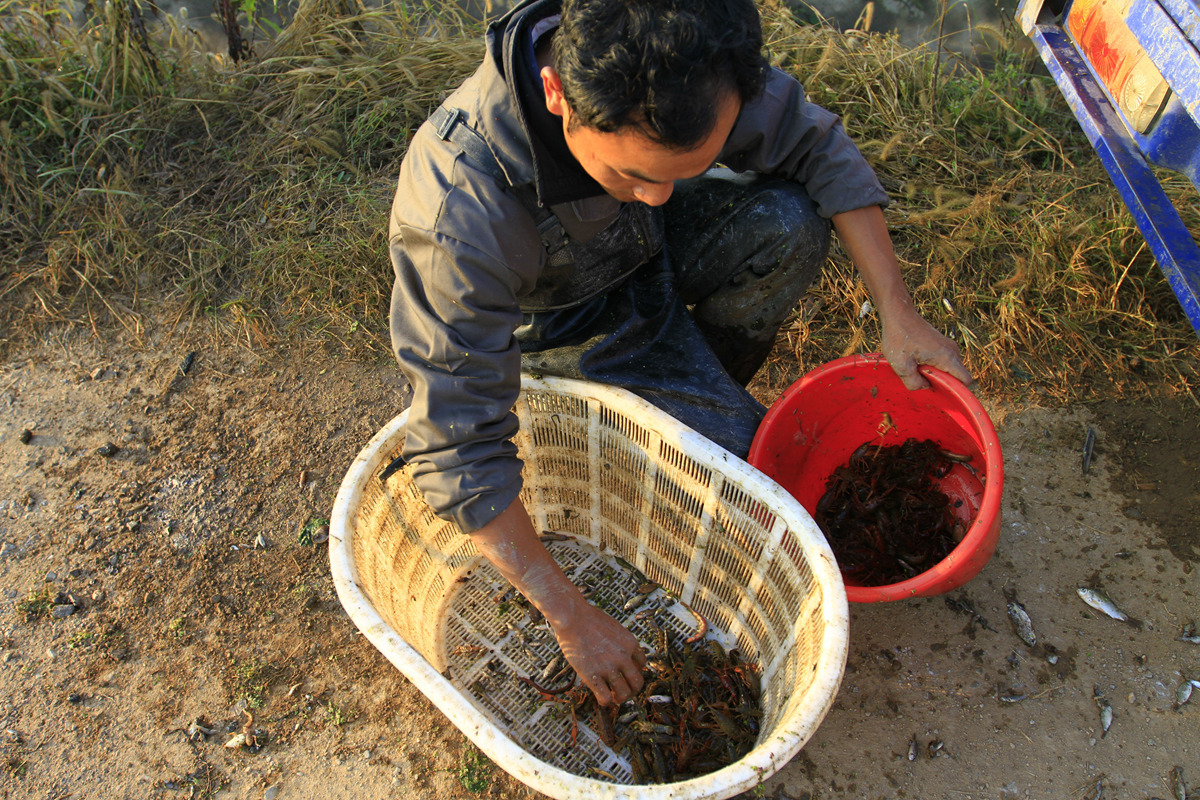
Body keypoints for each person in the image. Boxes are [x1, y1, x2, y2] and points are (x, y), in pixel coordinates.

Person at [387, 0, 972, 706]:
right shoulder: (463, 213)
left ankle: (697, 383)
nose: (657, 193)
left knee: (788, 224)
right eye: (631, 174)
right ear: (556, 98)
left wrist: (898, 314)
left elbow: (815, 144)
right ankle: (672, 414)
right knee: (758, 483)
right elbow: (459, 452)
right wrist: (570, 617)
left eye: (678, 170)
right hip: (566, 337)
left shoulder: (690, 57)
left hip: (643, 261)